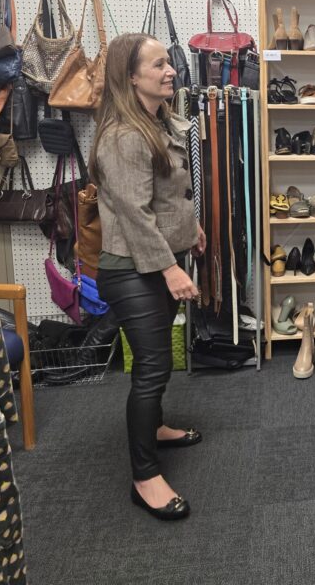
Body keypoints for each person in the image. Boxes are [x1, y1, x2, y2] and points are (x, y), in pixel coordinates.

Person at [92, 33, 206, 521]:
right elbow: (134, 215)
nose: (170, 70)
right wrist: (171, 268)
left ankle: (155, 427)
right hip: (132, 270)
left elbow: (167, 195)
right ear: (131, 76)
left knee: (155, 359)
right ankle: (144, 477)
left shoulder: (158, 122)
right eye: (158, 64)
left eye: (168, 62)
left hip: (157, 261)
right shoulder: (123, 136)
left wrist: (190, 228)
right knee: (153, 367)